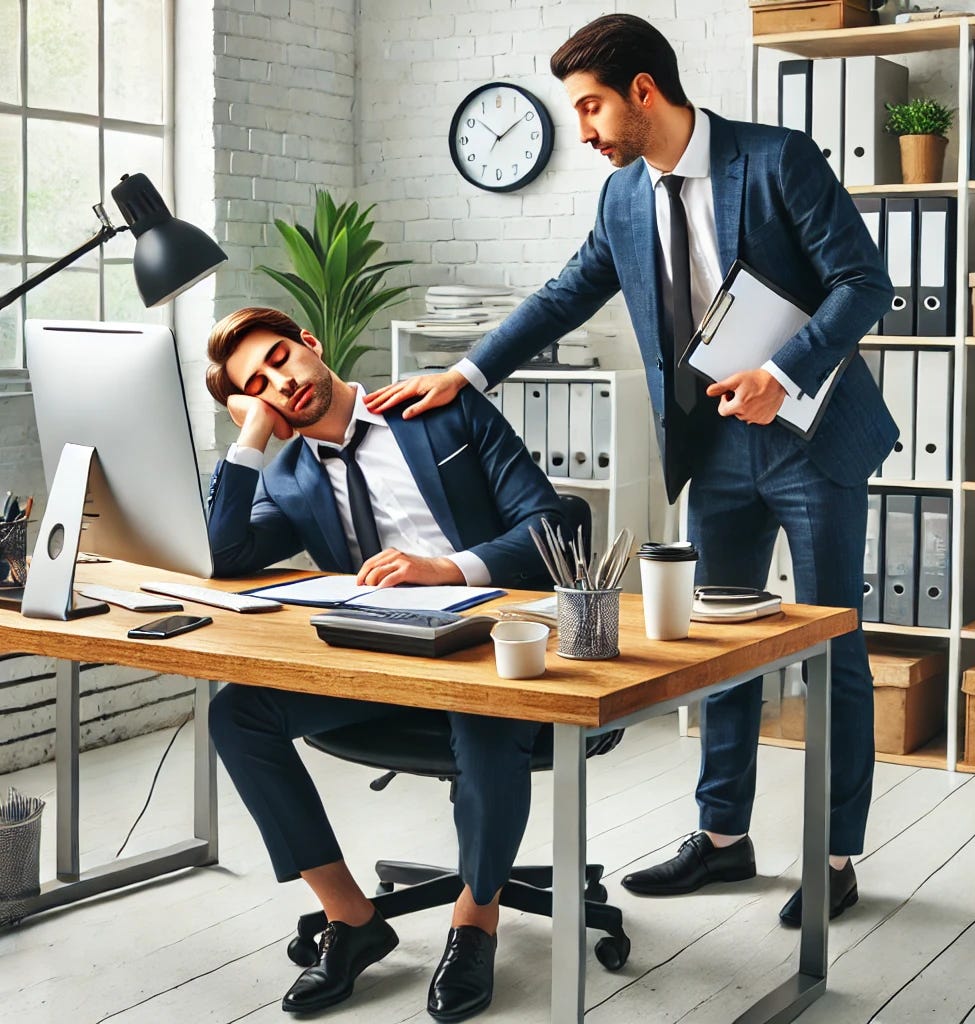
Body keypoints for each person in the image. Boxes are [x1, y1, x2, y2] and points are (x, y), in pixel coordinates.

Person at [366, 13, 897, 927]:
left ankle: (834, 853)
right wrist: (465, 369)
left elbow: (863, 283)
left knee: (829, 649)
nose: (585, 131)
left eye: (591, 108)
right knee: (713, 650)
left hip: (811, 436)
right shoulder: (621, 199)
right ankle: (723, 839)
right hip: (715, 445)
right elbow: (568, 291)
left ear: (643, 91)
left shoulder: (777, 160)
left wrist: (781, 373)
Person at [204, 306, 565, 1021]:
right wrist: (249, 436)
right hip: (387, 663)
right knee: (237, 712)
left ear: (313, 344)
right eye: (259, 384)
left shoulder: (440, 412)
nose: (282, 383)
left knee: (486, 715)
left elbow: (551, 523)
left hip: (490, 640)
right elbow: (224, 554)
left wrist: (445, 569)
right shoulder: (287, 478)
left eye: (281, 358)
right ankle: (352, 919)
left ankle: (475, 918)